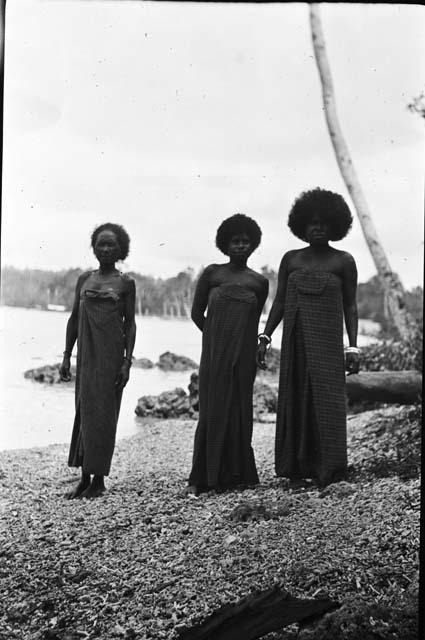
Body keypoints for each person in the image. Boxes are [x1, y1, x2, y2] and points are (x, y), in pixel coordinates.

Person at [257, 188, 360, 487]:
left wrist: (353, 346)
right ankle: (295, 467)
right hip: (296, 340)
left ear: (335, 227)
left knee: (327, 400)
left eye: (324, 223)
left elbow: (350, 306)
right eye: (312, 223)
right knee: (295, 396)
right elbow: (278, 302)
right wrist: (265, 336)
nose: (318, 228)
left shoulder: (343, 261)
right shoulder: (291, 259)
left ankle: (329, 469)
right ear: (301, 225)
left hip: (328, 342)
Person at [187, 214, 269, 495]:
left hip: (244, 356)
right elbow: (197, 314)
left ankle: (237, 476)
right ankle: (200, 479)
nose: (241, 246)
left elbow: (254, 322)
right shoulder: (212, 274)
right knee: (210, 412)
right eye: (235, 241)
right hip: (214, 354)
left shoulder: (259, 282)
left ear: (253, 244)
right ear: (225, 243)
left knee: (239, 411)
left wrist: (250, 345)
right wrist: (214, 338)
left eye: (246, 241)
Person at [59, 223, 136, 499]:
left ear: (120, 250)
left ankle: (99, 480)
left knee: (105, 415)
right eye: (101, 244)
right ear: (93, 247)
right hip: (87, 356)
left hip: (111, 356)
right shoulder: (84, 280)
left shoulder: (125, 283)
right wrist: (67, 356)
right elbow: (74, 319)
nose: (105, 249)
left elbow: (131, 324)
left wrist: (127, 362)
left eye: (111, 245)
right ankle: (84, 478)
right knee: (84, 411)